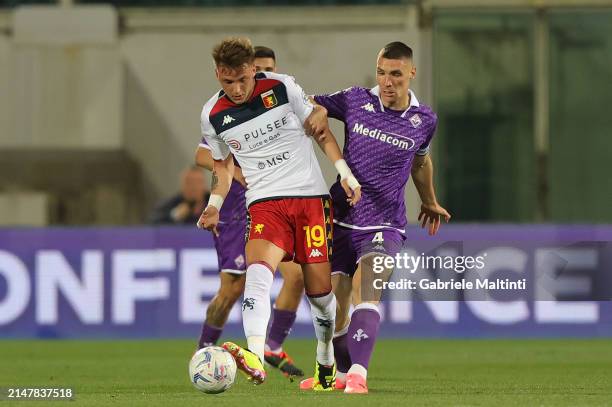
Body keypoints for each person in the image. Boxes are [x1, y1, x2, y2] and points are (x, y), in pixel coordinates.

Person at [197, 37, 361, 390]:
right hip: (264, 203)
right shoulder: (212, 114)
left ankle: (325, 359)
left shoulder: (282, 87)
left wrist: (344, 173)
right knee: (257, 270)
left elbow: (321, 131)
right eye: (228, 82)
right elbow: (222, 167)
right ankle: (255, 354)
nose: (237, 89)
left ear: (253, 69)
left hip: (310, 200)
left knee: (320, 298)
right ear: (218, 75)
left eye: (243, 79)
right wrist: (214, 206)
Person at [300, 41, 451, 394]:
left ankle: (358, 375)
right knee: (331, 301)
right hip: (339, 217)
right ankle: (336, 376)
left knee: (365, 289)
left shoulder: (424, 120)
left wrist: (429, 200)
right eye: (382, 73)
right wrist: (317, 108)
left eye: (396, 74)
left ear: (411, 74)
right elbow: (305, 101)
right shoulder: (355, 99)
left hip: (384, 221)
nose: (387, 82)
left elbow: (420, 162)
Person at [194, 46, 309, 379]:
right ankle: (202, 353)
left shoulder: (278, 100)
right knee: (231, 290)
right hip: (235, 210)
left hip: (272, 204)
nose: (259, 76)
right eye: (256, 69)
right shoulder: (224, 109)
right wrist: (240, 173)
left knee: (298, 275)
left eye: (267, 69)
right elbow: (204, 156)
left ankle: (271, 346)